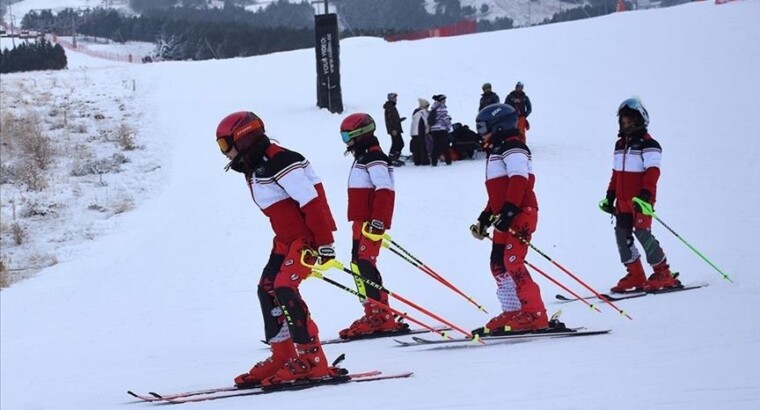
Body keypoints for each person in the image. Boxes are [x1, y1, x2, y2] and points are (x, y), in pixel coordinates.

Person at [215, 111, 344, 388]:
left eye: (225, 145)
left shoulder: (280, 160)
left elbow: (312, 201)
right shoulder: (255, 164)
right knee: (267, 288)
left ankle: (312, 361)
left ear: (243, 137)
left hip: (305, 239)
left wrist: (324, 243)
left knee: (285, 288)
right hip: (284, 240)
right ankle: (282, 356)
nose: (224, 153)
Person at [470, 103, 551, 335]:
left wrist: (508, 212)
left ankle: (535, 313)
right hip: (504, 215)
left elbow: (518, 180)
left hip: (520, 212)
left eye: (482, 127)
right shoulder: (496, 150)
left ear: (498, 126)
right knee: (498, 264)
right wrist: (485, 217)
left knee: (513, 262)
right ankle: (514, 310)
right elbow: (499, 193)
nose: (479, 132)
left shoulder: (514, 146)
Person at [337, 113, 409, 339]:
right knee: (357, 265)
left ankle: (381, 314)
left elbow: (385, 188)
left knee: (365, 264)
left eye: (346, 135)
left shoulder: (374, 157)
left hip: (370, 223)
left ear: (359, 135)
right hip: (360, 222)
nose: (345, 140)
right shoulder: (363, 157)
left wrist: (379, 220)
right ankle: (371, 311)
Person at [599, 97, 682, 293]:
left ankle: (663, 272)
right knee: (621, 234)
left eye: (631, 122)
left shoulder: (649, 144)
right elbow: (616, 173)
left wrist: (645, 196)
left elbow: (653, 172)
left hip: (640, 199)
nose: (626, 125)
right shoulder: (620, 145)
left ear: (641, 120)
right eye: (624, 122)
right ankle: (635, 274)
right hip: (622, 199)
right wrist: (610, 196)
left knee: (642, 232)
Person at [429, 94, 452, 166]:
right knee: (445, 145)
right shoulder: (442, 107)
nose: (445, 101)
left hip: (433, 129)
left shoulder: (434, 107)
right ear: (441, 100)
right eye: (444, 99)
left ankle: (434, 161)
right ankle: (448, 161)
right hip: (441, 129)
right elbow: (445, 118)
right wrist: (449, 127)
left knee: (435, 145)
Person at [383, 92, 406, 166]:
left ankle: (395, 158)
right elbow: (390, 120)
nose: (396, 99)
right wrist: (393, 129)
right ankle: (391, 159)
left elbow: (394, 119)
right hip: (394, 129)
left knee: (399, 143)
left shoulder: (392, 106)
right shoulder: (390, 107)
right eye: (395, 98)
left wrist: (399, 120)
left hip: (396, 128)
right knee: (397, 143)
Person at [409, 98, 431, 166]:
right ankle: (424, 161)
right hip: (420, 131)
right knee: (422, 147)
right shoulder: (423, 112)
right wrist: (427, 130)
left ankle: (417, 161)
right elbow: (426, 123)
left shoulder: (416, 112)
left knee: (416, 147)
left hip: (413, 132)